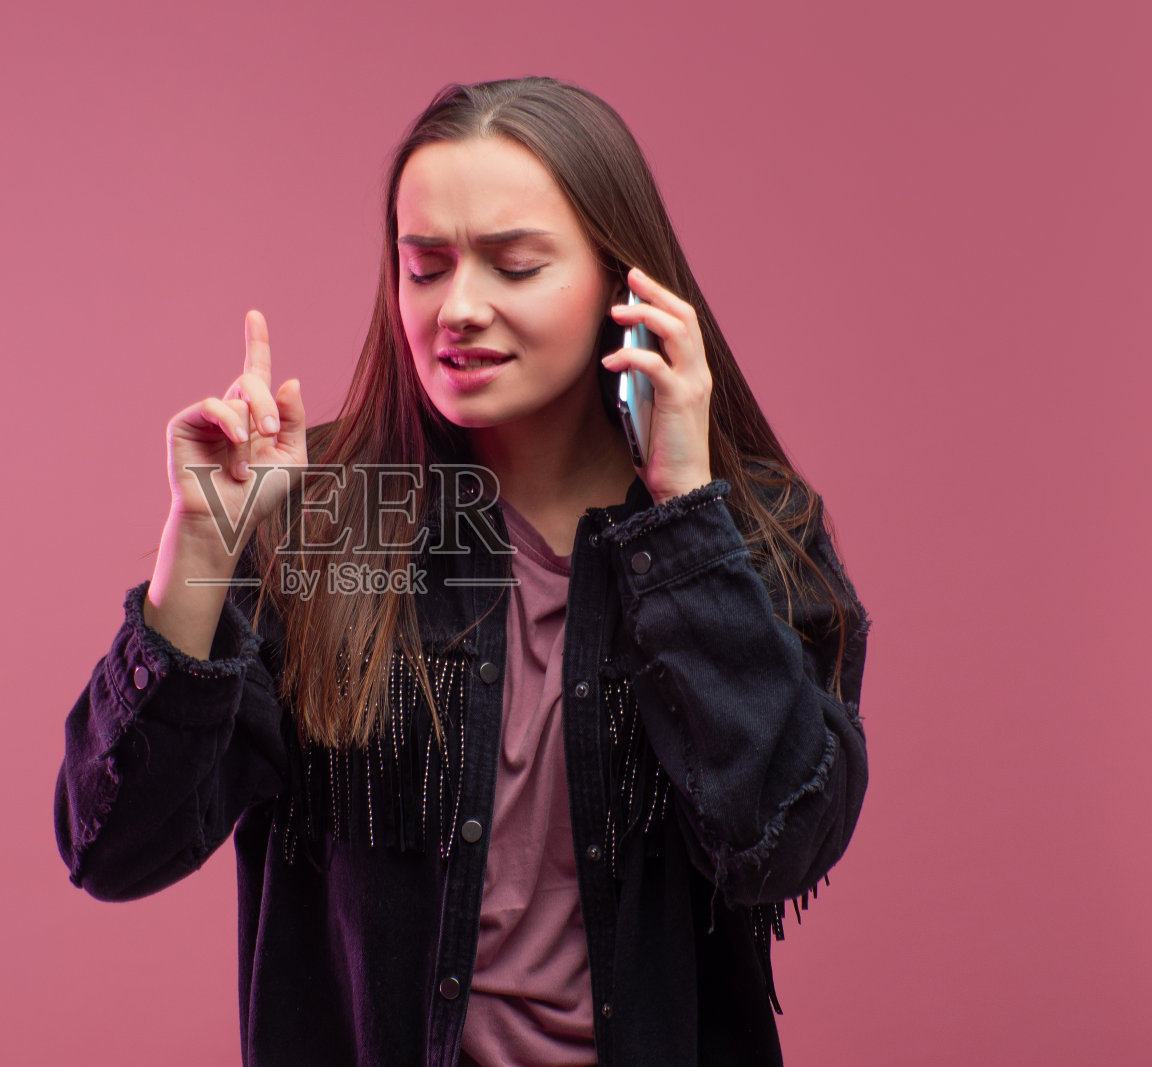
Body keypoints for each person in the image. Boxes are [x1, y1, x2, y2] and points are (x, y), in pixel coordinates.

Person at [54, 76, 871, 1067]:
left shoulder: (751, 529)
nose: (458, 308)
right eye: (425, 266)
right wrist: (198, 551)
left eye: (516, 265)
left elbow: (781, 838)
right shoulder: (311, 522)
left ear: (627, 283)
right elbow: (111, 845)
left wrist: (685, 515)